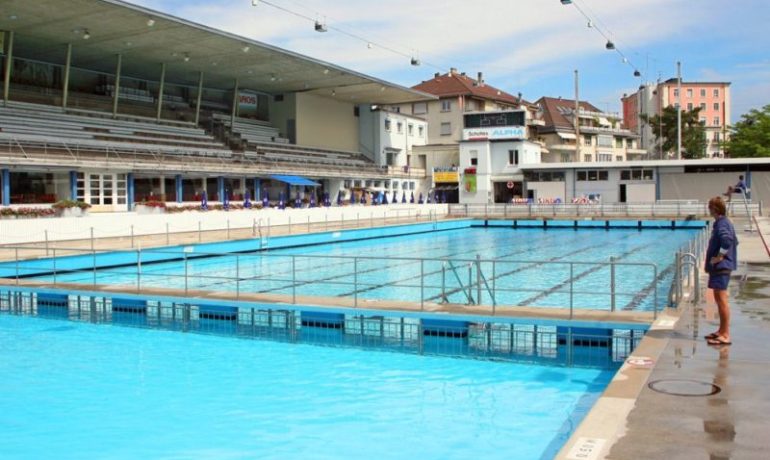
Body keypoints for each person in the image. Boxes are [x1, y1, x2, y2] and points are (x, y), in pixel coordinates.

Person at [704, 196, 738, 346]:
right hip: (721, 267)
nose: (708, 210)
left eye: (710, 207)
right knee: (719, 300)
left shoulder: (722, 223)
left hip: (722, 267)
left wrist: (720, 256)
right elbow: (735, 241)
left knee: (722, 300)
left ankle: (725, 335)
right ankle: (721, 330)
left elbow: (728, 240)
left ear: (715, 209)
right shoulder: (723, 223)